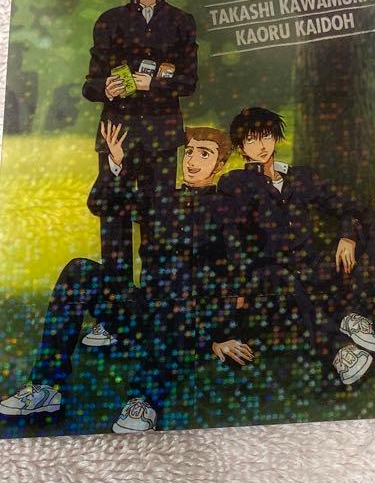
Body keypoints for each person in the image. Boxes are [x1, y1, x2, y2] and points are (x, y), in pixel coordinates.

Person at [0, 126, 253, 433]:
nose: (192, 160)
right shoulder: (161, 199)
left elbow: (233, 271)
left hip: (187, 318)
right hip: (144, 307)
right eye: (189, 151)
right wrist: (116, 164)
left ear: (219, 164)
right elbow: (101, 204)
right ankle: (46, 387)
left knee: (174, 302)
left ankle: (143, 402)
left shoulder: (226, 209)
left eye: (204, 153)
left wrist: (220, 334)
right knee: (79, 270)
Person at [218, 107, 375, 388]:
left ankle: (352, 315)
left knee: (366, 225)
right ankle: (339, 351)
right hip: (269, 274)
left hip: (310, 266)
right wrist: (238, 289)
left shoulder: (300, 177)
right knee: (284, 277)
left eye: (266, 136)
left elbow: (350, 204)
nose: (261, 145)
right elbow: (231, 240)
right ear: (241, 148)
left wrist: (347, 236)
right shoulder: (236, 183)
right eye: (251, 140)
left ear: (276, 137)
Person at [81, 0, 198, 327]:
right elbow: (90, 85)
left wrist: (154, 85)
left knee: (158, 224)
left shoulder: (181, 21)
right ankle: (113, 314)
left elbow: (189, 81)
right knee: (114, 223)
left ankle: (152, 309)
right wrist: (106, 88)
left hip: (161, 138)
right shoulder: (109, 20)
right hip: (117, 134)